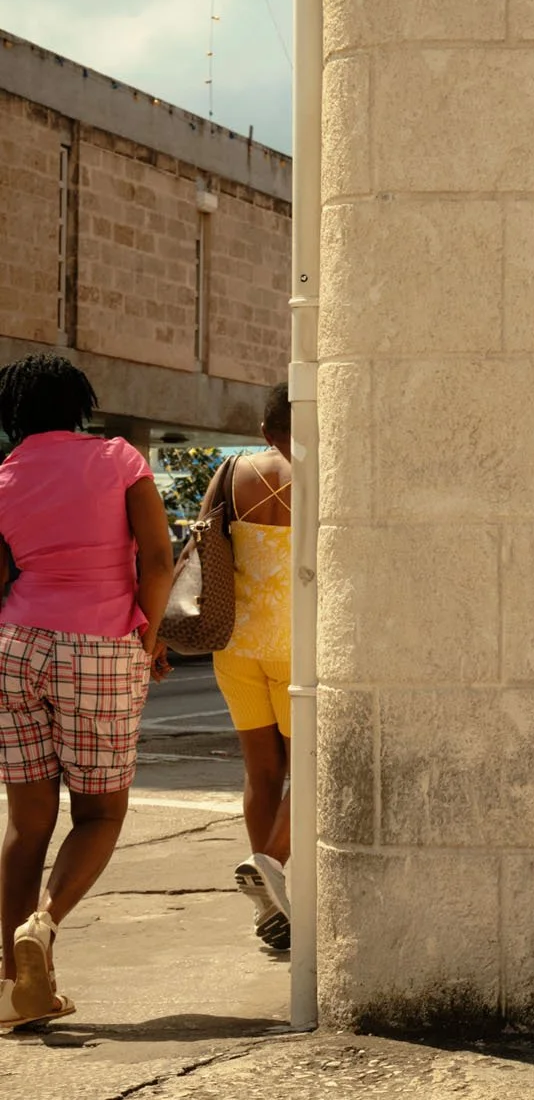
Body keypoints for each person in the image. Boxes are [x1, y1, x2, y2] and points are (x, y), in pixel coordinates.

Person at [0, 355, 174, 1029]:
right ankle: (41, 925)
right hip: (99, 644)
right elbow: (157, 560)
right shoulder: (118, 457)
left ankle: (12, 990)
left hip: (16, 645)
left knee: (26, 818)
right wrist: (148, 638)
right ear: (79, 402)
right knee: (99, 814)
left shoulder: (5, 476)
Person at [205, 383, 293, 952]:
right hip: (296, 645)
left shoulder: (233, 471)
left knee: (261, 773)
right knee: (309, 772)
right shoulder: (321, 475)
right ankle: (270, 864)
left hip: (235, 645)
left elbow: (200, 547)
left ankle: (274, 909)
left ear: (263, 431)